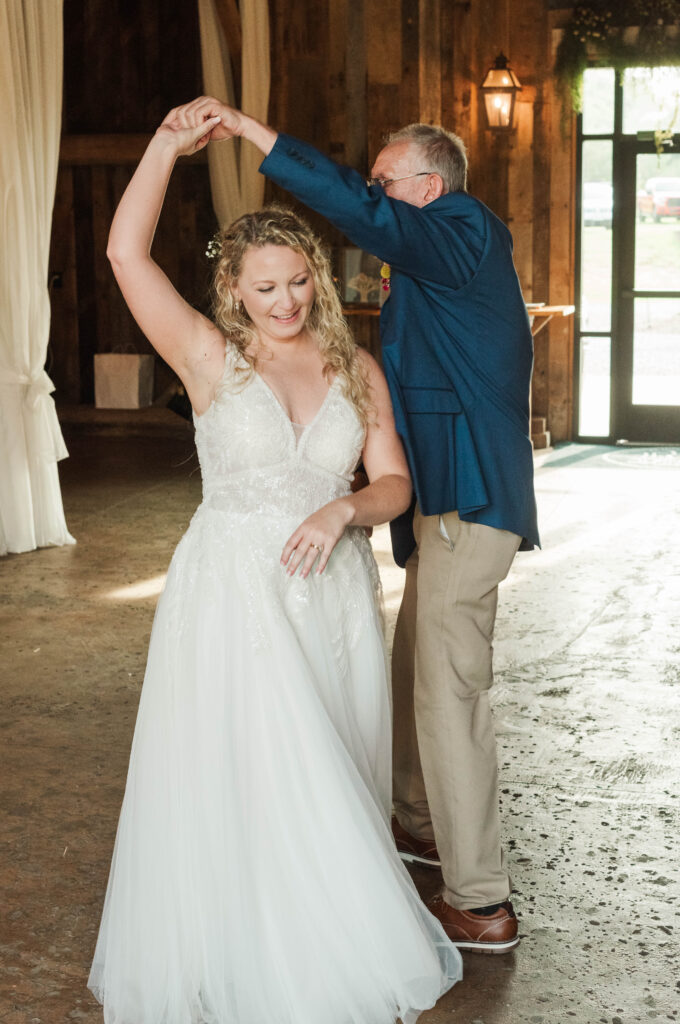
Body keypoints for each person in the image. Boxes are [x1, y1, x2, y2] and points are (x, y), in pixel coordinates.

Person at [88, 104, 462, 1023]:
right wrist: (164, 147)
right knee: (244, 771)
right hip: (232, 594)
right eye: (265, 289)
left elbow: (392, 487)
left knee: (328, 767)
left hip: (328, 593)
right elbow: (126, 256)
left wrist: (343, 507)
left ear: (318, 279)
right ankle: (242, 943)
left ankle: (323, 936)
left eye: (298, 282)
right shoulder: (210, 357)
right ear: (232, 293)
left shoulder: (354, 369)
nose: (286, 302)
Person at [183, 95, 540, 955]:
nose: (373, 195)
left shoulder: (461, 229)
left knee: (446, 691)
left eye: (384, 182)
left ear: (425, 185)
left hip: (472, 499)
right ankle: (419, 824)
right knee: (417, 662)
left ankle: (479, 899)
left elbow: (357, 208)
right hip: (441, 502)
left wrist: (255, 132)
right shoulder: (437, 251)